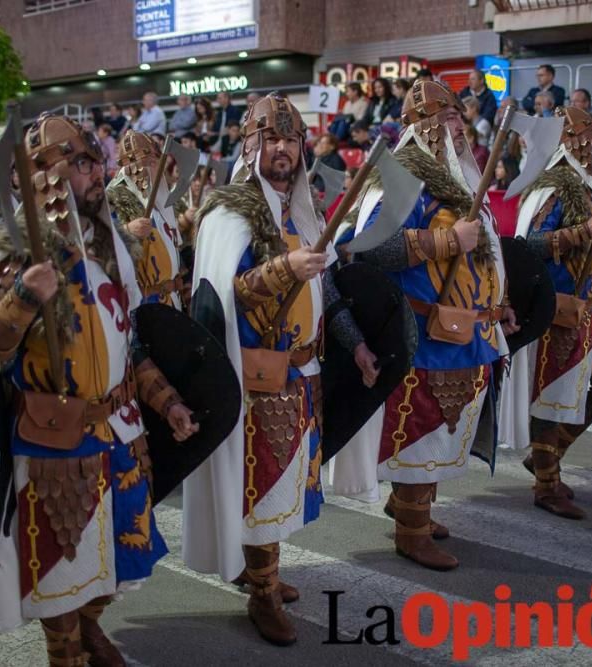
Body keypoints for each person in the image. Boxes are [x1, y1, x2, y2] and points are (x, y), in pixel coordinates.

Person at [0, 112, 193, 664]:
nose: (98, 174)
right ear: (48, 176)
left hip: (119, 434)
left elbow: (129, 346)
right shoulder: (13, 254)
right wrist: (22, 296)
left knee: (119, 558)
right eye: (84, 164)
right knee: (63, 571)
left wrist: (169, 402)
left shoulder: (111, 249)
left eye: (97, 162)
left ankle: (91, 627)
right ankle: (65, 651)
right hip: (54, 447)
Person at [182, 93, 366, 646]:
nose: (282, 149)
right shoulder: (228, 212)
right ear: (250, 145)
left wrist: (353, 343)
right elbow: (222, 295)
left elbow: (323, 286)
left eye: (290, 140)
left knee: (281, 487)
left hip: (303, 374)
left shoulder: (299, 209)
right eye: (270, 139)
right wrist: (284, 267)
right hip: (257, 378)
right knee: (263, 489)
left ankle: (262, 572)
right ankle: (261, 589)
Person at [332, 79, 516, 567]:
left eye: (459, 117)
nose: (458, 127)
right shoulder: (398, 179)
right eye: (447, 119)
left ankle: (414, 508)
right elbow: (365, 248)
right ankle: (410, 531)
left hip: (468, 333)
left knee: (443, 438)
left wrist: (500, 302)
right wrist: (445, 243)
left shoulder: (462, 181)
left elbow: (486, 255)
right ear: (424, 129)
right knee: (420, 435)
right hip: (424, 339)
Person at [511, 107, 592, 519]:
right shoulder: (554, 186)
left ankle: (546, 461)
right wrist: (583, 231)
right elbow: (528, 245)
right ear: (576, 139)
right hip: (557, 312)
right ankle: (547, 483)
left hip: (589, 311)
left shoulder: (589, 187)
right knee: (552, 402)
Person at [107, 130, 189, 309]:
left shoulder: (162, 199)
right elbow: (103, 242)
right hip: (147, 303)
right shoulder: (114, 199)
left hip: (173, 299)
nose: (153, 168)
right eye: (147, 163)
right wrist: (127, 230)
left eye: (155, 162)